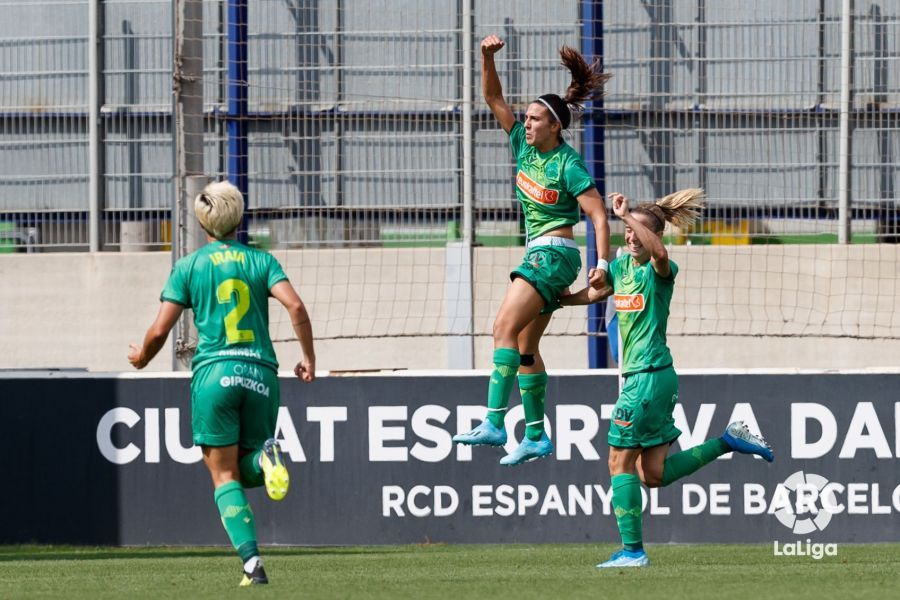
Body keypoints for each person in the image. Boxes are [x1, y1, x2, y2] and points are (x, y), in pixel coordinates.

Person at [561, 190, 774, 568]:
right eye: (627, 232)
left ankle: (632, 552)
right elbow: (595, 293)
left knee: (618, 462)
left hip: (646, 378)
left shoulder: (659, 272)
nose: (629, 237)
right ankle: (729, 440)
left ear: (651, 235)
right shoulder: (623, 268)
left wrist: (627, 217)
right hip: (651, 380)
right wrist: (559, 299)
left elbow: (659, 254)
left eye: (636, 232)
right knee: (653, 474)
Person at [128, 180, 316, 586]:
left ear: (202, 222)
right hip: (261, 373)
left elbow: (161, 330)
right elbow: (296, 305)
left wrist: (142, 357)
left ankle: (252, 564)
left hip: (215, 373)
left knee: (224, 477)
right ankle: (267, 458)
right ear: (239, 216)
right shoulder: (261, 262)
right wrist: (308, 358)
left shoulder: (189, 266)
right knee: (248, 471)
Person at [452, 35, 612, 465]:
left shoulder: (568, 163)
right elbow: (492, 95)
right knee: (524, 344)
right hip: (536, 253)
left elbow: (598, 216)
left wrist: (603, 265)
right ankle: (537, 435)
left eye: (536, 119)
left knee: (501, 327)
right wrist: (485, 57)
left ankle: (494, 420)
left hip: (555, 253)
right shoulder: (522, 145)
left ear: (555, 126)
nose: (527, 123)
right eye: (526, 117)